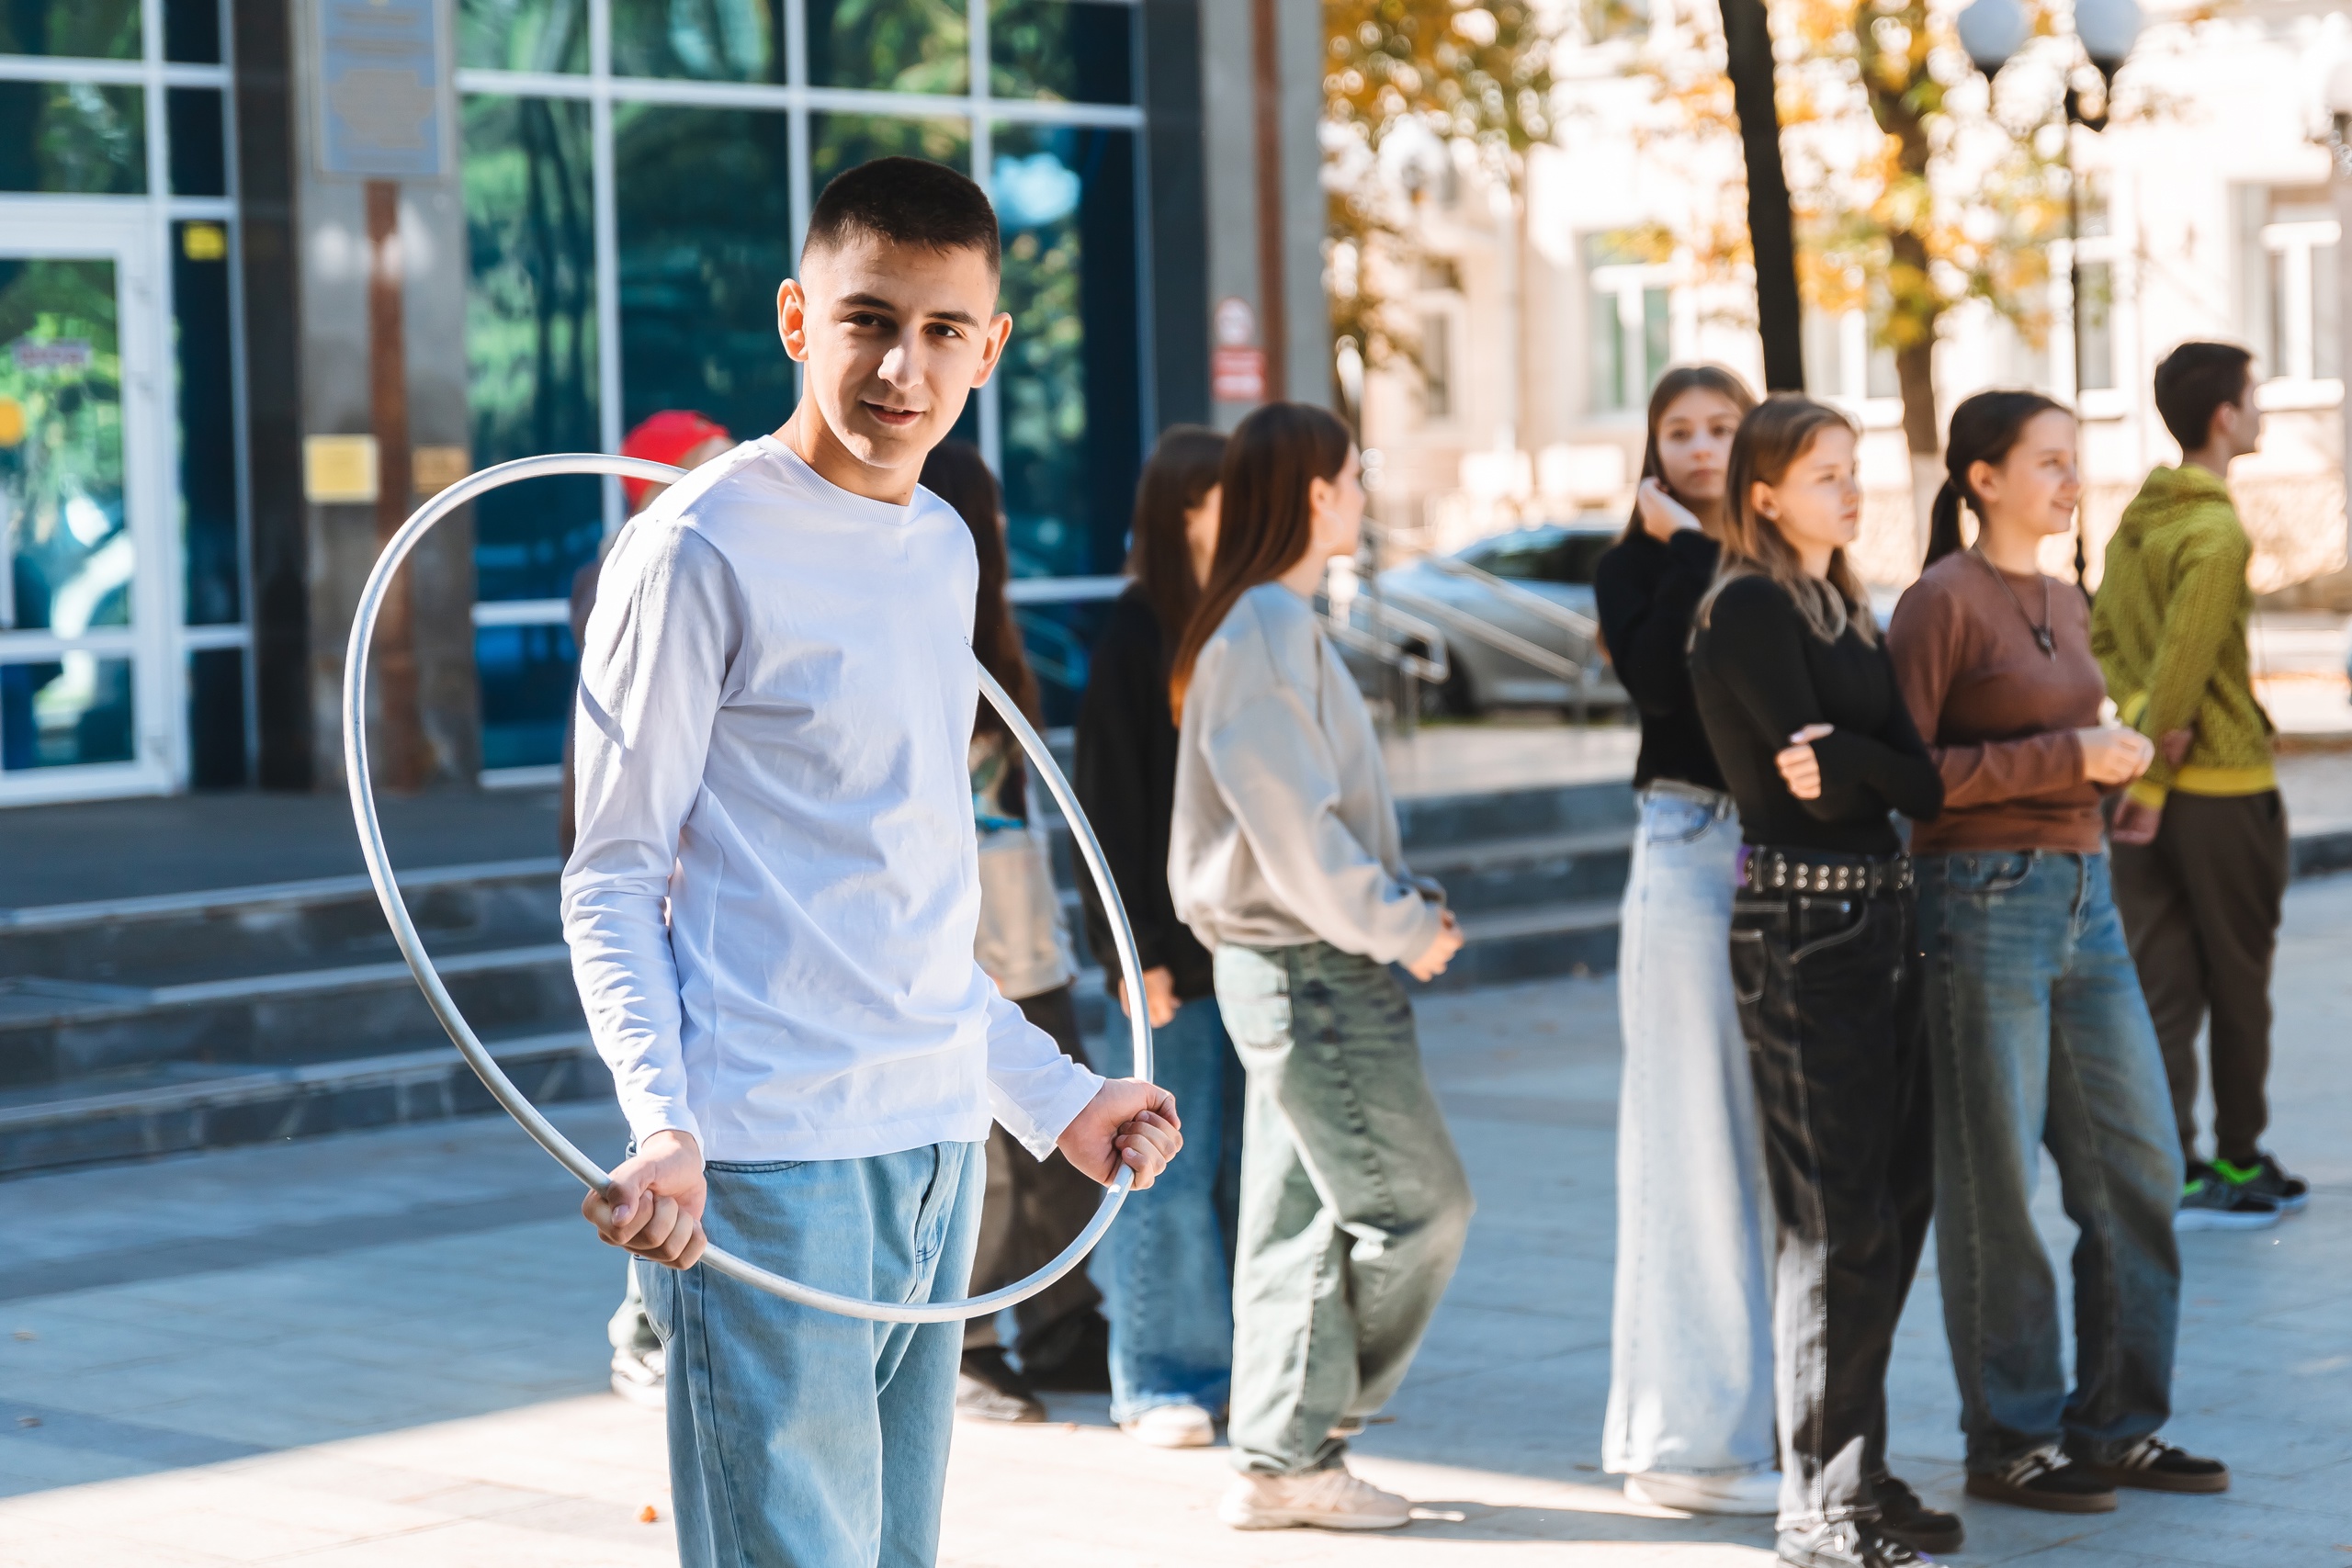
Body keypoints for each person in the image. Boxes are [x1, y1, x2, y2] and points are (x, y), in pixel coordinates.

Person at [562, 156, 1181, 1568]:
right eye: (868, 319)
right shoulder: (695, 549)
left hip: (937, 1145)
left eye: (944, 329)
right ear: (798, 319)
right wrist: (663, 1121)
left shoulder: (941, 545)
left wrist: (1060, 1097)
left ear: (990, 345)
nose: (906, 367)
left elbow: (902, 902)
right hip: (771, 1151)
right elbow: (610, 874)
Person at [1889, 389, 2232, 1515]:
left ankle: (2117, 1429)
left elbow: (2061, 743)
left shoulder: (2063, 596)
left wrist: (2107, 765)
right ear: (1982, 479)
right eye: (2048, 462)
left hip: (2085, 897)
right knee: (1994, 1185)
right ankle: (2009, 1438)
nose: (2070, 480)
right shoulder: (1939, 602)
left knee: (2139, 1168)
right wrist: (2064, 757)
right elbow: (1907, 778)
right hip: (1977, 901)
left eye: (2073, 460)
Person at [1168, 400, 1474, 1532]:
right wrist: (1401, 925)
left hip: (1297, 964)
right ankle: (1299, 1441)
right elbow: (1296, 834)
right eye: (1355, 475)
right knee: (1417, 1207)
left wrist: (1396, 915)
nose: (1363, 494)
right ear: (1315, 493)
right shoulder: (1262, 629)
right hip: (1308, 966)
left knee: (1301, 1219)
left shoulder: (1269, 621)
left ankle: (1279, 1456)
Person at [1686, 395, 1952, 1568]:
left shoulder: (1844, 609)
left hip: (1881, 922)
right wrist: (1863, 767)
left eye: (1854, 470)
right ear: (1764, 496)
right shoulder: (1745, 607)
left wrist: (1854, 759)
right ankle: (1819, 1505)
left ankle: (1861, 1474)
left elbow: (1916, 783)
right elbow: (1826, 788)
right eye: (1827, 475)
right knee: (1835, 1223)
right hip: (1801, 932)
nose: (1852, 491)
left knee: (1894, 1207)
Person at [1591, 365, 1779, 1517]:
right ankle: (1682, 1448)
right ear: (1653, 452)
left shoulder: (1781, 558)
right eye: (1680, 432)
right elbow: (1665, 686)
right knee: (1689, 1147)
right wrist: (1689, 552)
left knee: (1763, 1156)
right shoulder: (1636, 568)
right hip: (1686, 847)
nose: (1702, 448)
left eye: (1722, 428)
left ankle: (1748, 1426)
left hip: (1784, 858)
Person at [2092, 341, 2308, 1224]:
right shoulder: (2215, 532)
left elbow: (2105, 641)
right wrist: (2155, 769)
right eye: (2254, 398)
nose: (2259, 413)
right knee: (2239, 983)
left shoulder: (2134, 523)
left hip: (2140, 787)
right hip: (2218, 791)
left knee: (2162, 983)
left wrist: (2138, 728)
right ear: (2225, 416)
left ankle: (2172, 1162)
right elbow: (2184, 667)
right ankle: (2240, 1156)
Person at [920, 437, 1114, 1424]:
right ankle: (967, 1342)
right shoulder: (910, 630)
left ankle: (1060, 1321)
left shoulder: (991, 638)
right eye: (986, 516)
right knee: (985, 1163)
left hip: (1027, 933)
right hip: (958, 945)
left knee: (1060, 1149)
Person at [1074, 423, 1248, 1450]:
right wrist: (1131, 955)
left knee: (1231, 1170)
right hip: (1164, 962)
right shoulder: (1138, 633)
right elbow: (1107, 810)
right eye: (1231, 494)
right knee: (1161, 1170)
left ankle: (1228, 1369)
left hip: (1237, 953)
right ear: (1187, 509)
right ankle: (1158, 1377)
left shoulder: (1235, 621)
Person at [560, 407, 734, 1410]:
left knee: (682, 1112)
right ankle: (642, 1326)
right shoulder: (646, 567)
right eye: (706, 460)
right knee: (665, 1111)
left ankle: (650, 1318)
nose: (728, 469)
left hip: (681, 877)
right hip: (654, 881)